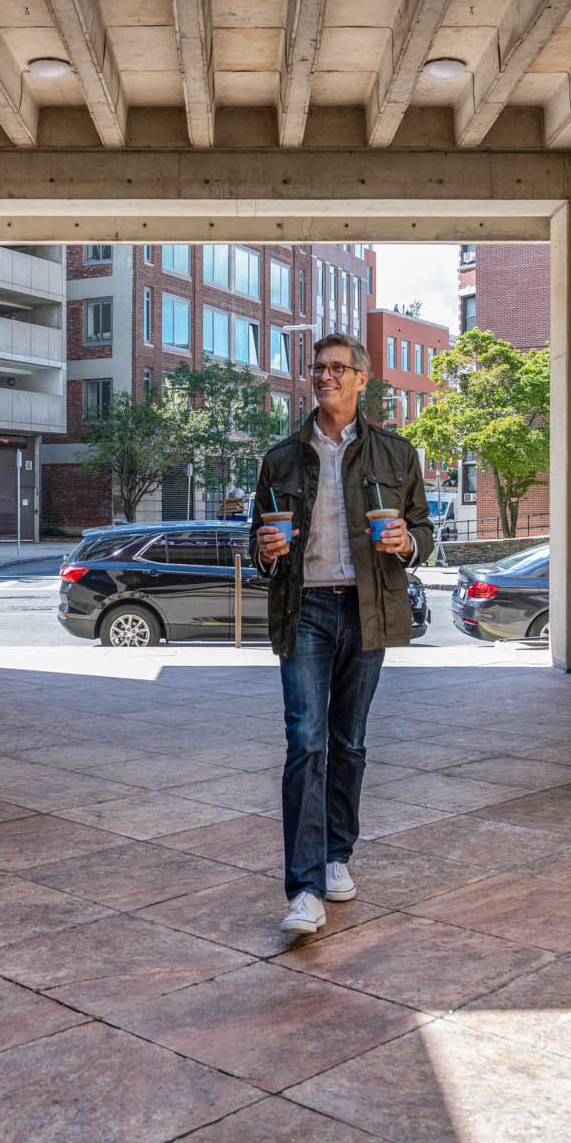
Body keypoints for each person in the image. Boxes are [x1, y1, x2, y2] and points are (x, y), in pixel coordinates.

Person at [249, 334, 433, 934]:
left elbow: (424, 533)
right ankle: (303, 889)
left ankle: (335, 855)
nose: (324, 376)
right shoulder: (280, 459)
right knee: (306, 740)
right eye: (318, 368)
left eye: (337, 368)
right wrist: (266, 551)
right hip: (304, 610)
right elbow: (262, 549)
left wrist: (407, 541)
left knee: (348, 741)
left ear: (361, 379)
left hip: (368, 611)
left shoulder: (397, 455)